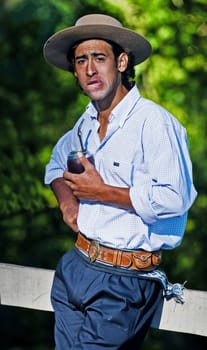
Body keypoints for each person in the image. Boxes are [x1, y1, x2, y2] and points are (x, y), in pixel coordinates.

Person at [43, 13, 197, 350]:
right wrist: (69, 205)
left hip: (125, 281)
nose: (90, 69)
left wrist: (102, 192)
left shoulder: (154, 124)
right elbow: (55, 164)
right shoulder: (85, 123)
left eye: (100, 58)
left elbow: (176, 198)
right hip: (75, 267)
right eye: (81, 60)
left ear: (122, 61)